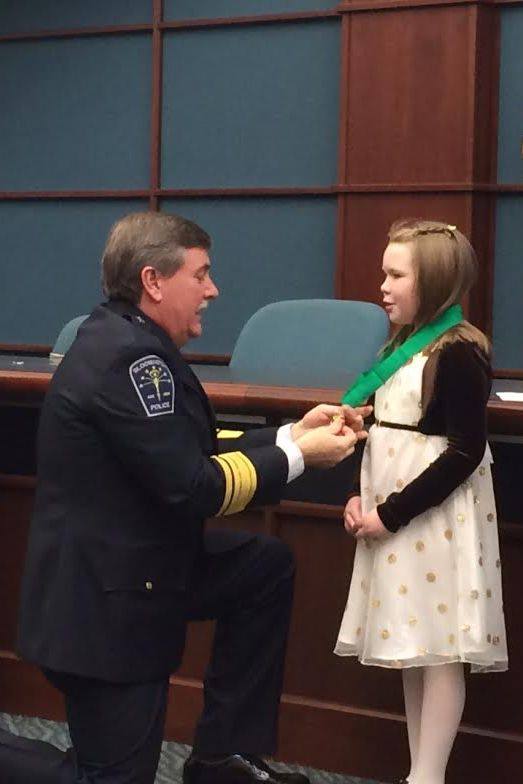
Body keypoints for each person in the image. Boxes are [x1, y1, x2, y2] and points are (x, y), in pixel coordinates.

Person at [1, 211, 368, 784]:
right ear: (153, 281)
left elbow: (186, 446)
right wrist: (301, 457)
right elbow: (193, 486)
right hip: (104, 609)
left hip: (138, 570)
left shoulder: (126, 338)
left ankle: (223, 757)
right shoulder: (130, 359)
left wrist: (289, 435)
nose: (212, 289)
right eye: (200, 274)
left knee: (263, 568)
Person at [334, 219, 508, 784]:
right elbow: (381, 430)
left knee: (440, 649)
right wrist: (360, 495)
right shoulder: (401, 347)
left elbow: (464, 452)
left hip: (433, 520)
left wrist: (391, 513)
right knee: (412, 641)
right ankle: (420, 771)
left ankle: (427, 777)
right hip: (394, 515)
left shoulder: (458, 352)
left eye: (395, 275)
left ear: (431, 282)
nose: (382, 287)